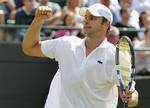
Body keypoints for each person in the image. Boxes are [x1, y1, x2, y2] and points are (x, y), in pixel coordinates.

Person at [22, 3, 138, 108]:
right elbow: (29, 48)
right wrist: (38, 20)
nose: (86, 21)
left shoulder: (116, 56)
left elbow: (133, 95)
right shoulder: (66, 43)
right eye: (86, 17)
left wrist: (130, 97)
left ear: (106, 24)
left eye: (92, 18)